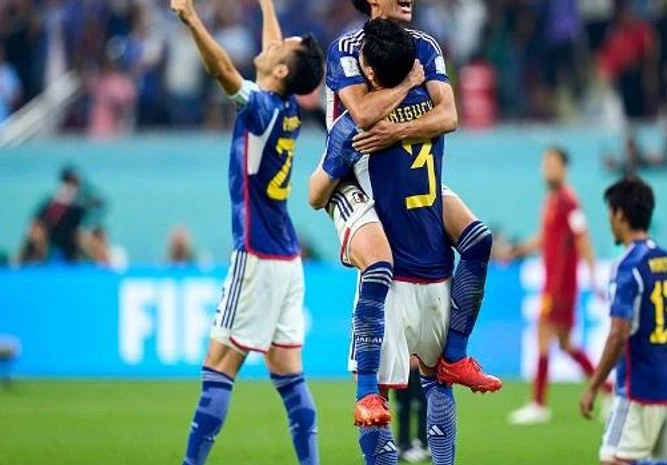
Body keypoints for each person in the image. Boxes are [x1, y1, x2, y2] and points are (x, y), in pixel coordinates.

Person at [314, 0, 502, 426]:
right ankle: (367, 392)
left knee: (478, 239)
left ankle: (455, 354)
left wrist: (396, 130)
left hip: (411, 167)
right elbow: (361, 115)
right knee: (379, 266)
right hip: (353, 175)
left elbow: (449, 115)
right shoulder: (346, 48)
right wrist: (408, 88)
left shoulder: (425, 44)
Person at [169, 1, 324, 464]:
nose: (274, 41)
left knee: (219, 366)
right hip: (287, 258)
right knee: (288, 373)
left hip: (256, 256)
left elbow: (221, 71)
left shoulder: (259, 107)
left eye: (282, 46)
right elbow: (272, 52)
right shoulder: (287, 106)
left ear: (279, 70)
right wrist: (267, 4)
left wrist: (191, 19)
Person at [312, 18, 459, 465]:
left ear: (369, 73)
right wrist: (415, 82)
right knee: (439, 378)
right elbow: (450, 117)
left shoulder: (352, 126)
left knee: (374, 394)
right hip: (431, 255)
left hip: (389, 258)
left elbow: (316, 194)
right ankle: (462, 353)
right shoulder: (428, 103)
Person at [578, 177, 667, 465]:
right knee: (666, 462)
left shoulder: (628, 265)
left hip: (639, 389)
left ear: (620, 214)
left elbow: (618, 333)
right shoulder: (666, 260)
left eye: (610, 214)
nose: (610, 222)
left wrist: (594, 385)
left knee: (612, 459)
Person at [509, 147, 609, 425]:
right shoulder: (552, 201)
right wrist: (517, 250)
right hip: (554, 282)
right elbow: (545, 237)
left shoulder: (569, 201)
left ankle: (538, 404)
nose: (546, 169)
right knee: (565, 344)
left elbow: (583, 240)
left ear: (564, 168)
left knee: (543, 336)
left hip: (561, 285)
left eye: (552, 164)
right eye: (544, 164)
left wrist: (592, 276)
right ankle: (610, 391)